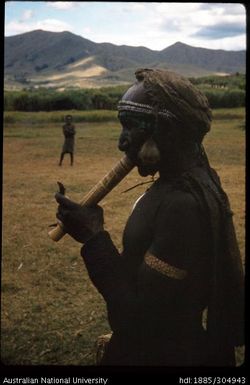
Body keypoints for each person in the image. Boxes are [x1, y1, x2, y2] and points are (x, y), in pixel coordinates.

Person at [55, 68, 244, 366]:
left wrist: (93, 238)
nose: (122, 142)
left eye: (131, 127)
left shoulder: (182, 206)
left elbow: (137, 319)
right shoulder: (180, 183)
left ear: (166, 131)